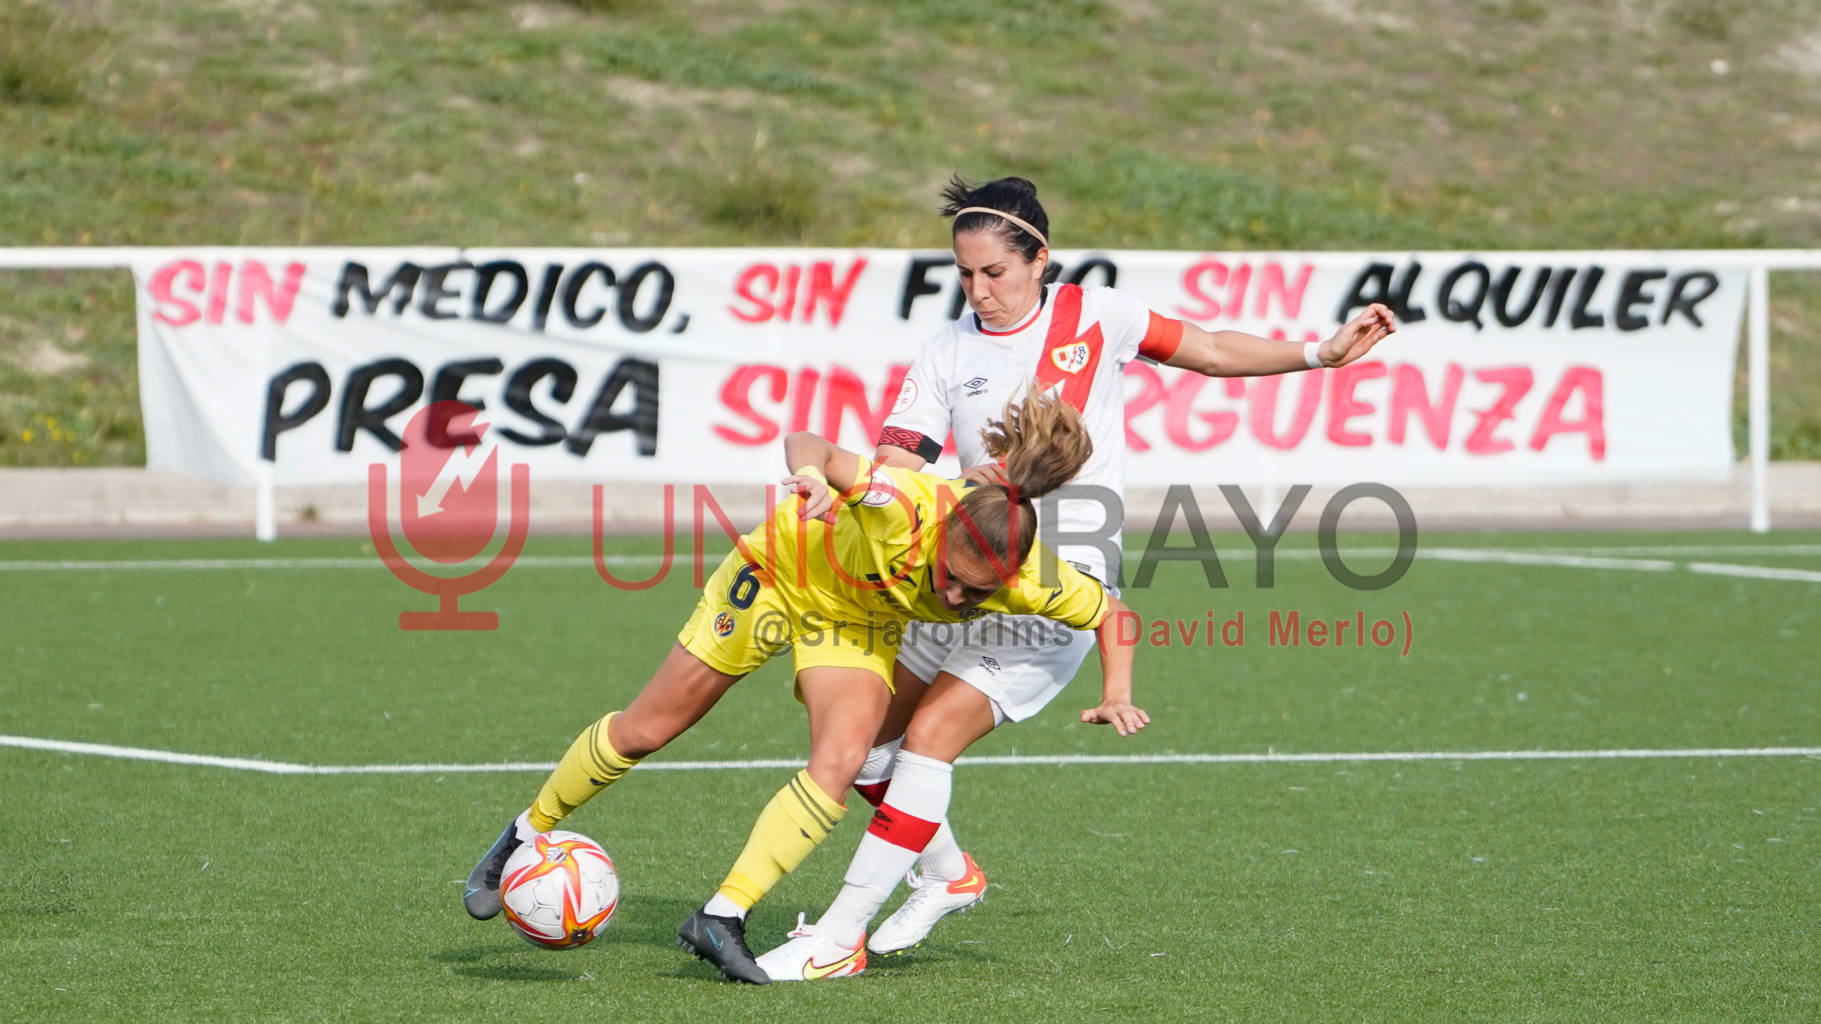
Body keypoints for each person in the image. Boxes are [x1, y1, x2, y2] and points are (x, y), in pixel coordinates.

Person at [752, 175, 1396, 980]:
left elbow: (1210, 350)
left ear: (1039, 259)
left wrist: (1318, 355)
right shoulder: (947, 348)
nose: (978, 289)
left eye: (994, 272)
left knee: (927, 742)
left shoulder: (1099, 314)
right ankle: (947, 875)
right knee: (868, 748)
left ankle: (837, 938)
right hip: (967, 567)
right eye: (964, 273)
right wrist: (878, 488)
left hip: (1063, 577)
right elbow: (897, 457)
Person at [462, 388, 1146, 984]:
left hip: (852, 624)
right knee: (648, 729)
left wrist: (1116, 691)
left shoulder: (1030, 577)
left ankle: (721, 916)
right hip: (777, 575)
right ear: (940, 535)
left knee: (844, 761)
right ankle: (523, 834)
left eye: (978, 591)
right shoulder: (901, 503)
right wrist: (814, 477)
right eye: (951, 578)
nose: (957, 597)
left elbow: (1113, 614)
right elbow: (807, 441)